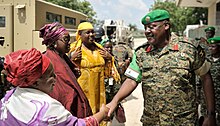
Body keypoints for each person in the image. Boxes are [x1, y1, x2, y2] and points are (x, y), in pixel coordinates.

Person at [107, 9, 216, 125]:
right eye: (145, 28)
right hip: (153, 121)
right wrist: (115, 101)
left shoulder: (189, 48)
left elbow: (206, 78)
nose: (147, 31)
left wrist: (210, 114)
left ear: (166, 26)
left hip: (183, 121)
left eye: (152, 26)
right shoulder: (141, 53)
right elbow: (131, 80)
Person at [0, 48, 109, 125]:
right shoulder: (47, 109)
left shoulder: (9, 97)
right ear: (35, 82)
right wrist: (102, 114)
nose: (56, 78)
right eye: (51, 75)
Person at [40, 22, 93, 118]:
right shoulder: (49, 61)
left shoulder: (63, 57)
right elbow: (59, 93)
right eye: (65, 40)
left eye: (69, 40)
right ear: (54, 42)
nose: (69, 43)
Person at [69, 22, 115, 126]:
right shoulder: (75, 49)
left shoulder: (100, 49)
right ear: (80, 34)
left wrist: (109, 58)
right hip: (83, 91)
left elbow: (109, 72)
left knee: (100, 115)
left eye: (92, 32)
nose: (91, 35)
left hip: (99, 91)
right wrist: (71, 57)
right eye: (87, 32)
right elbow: (65, 69)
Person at [199, 37, 220, 125]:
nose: (210, 49)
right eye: (210, 46)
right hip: (206, 102)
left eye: (213, 46)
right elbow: (199, 81)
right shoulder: (206, 61)